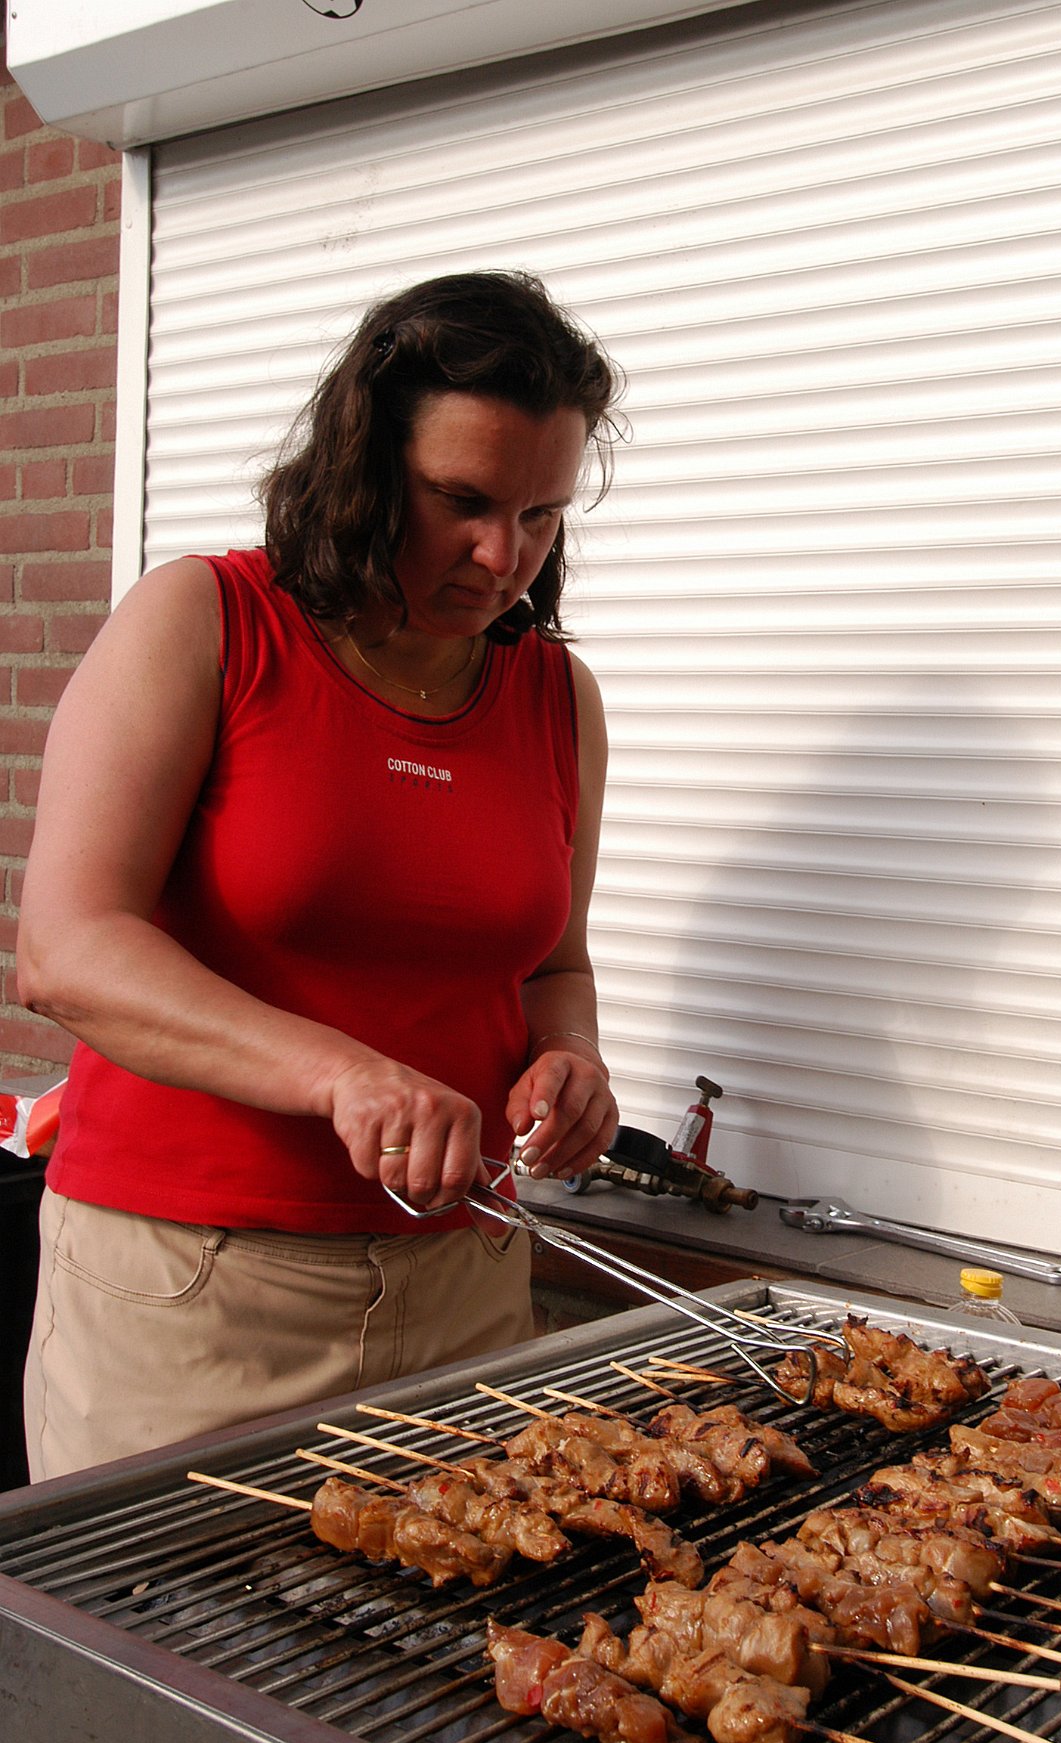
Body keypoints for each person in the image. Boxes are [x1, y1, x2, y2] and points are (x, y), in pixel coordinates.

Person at [16, 270, 624, 1479]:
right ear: (364, 468)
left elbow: (551, 964)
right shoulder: (203, 621)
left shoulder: (557, 697)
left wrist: (574, 1062)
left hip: (462, 1281)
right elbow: (67, 951)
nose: (502, 555)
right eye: (461, 501)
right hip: (192, 1290)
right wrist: (340, 1075)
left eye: (541, 514)